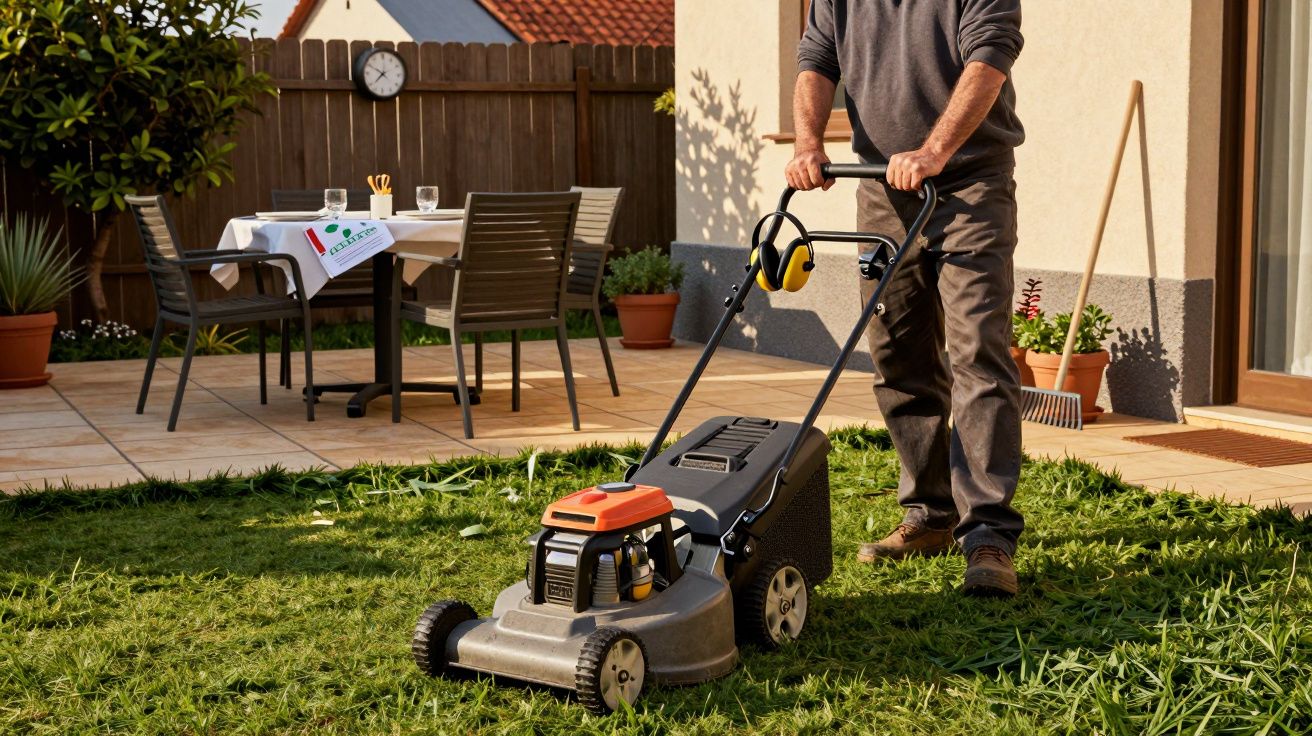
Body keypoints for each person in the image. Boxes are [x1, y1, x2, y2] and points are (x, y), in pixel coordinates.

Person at [788, 0, 1026, 597]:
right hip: (881, 191)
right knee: (896, 352)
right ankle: (930, 514)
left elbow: (990, 56)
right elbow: (816, 60)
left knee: (978, 354)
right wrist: (808, 141)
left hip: (970, 185)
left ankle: (988, 536)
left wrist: (935, 150)